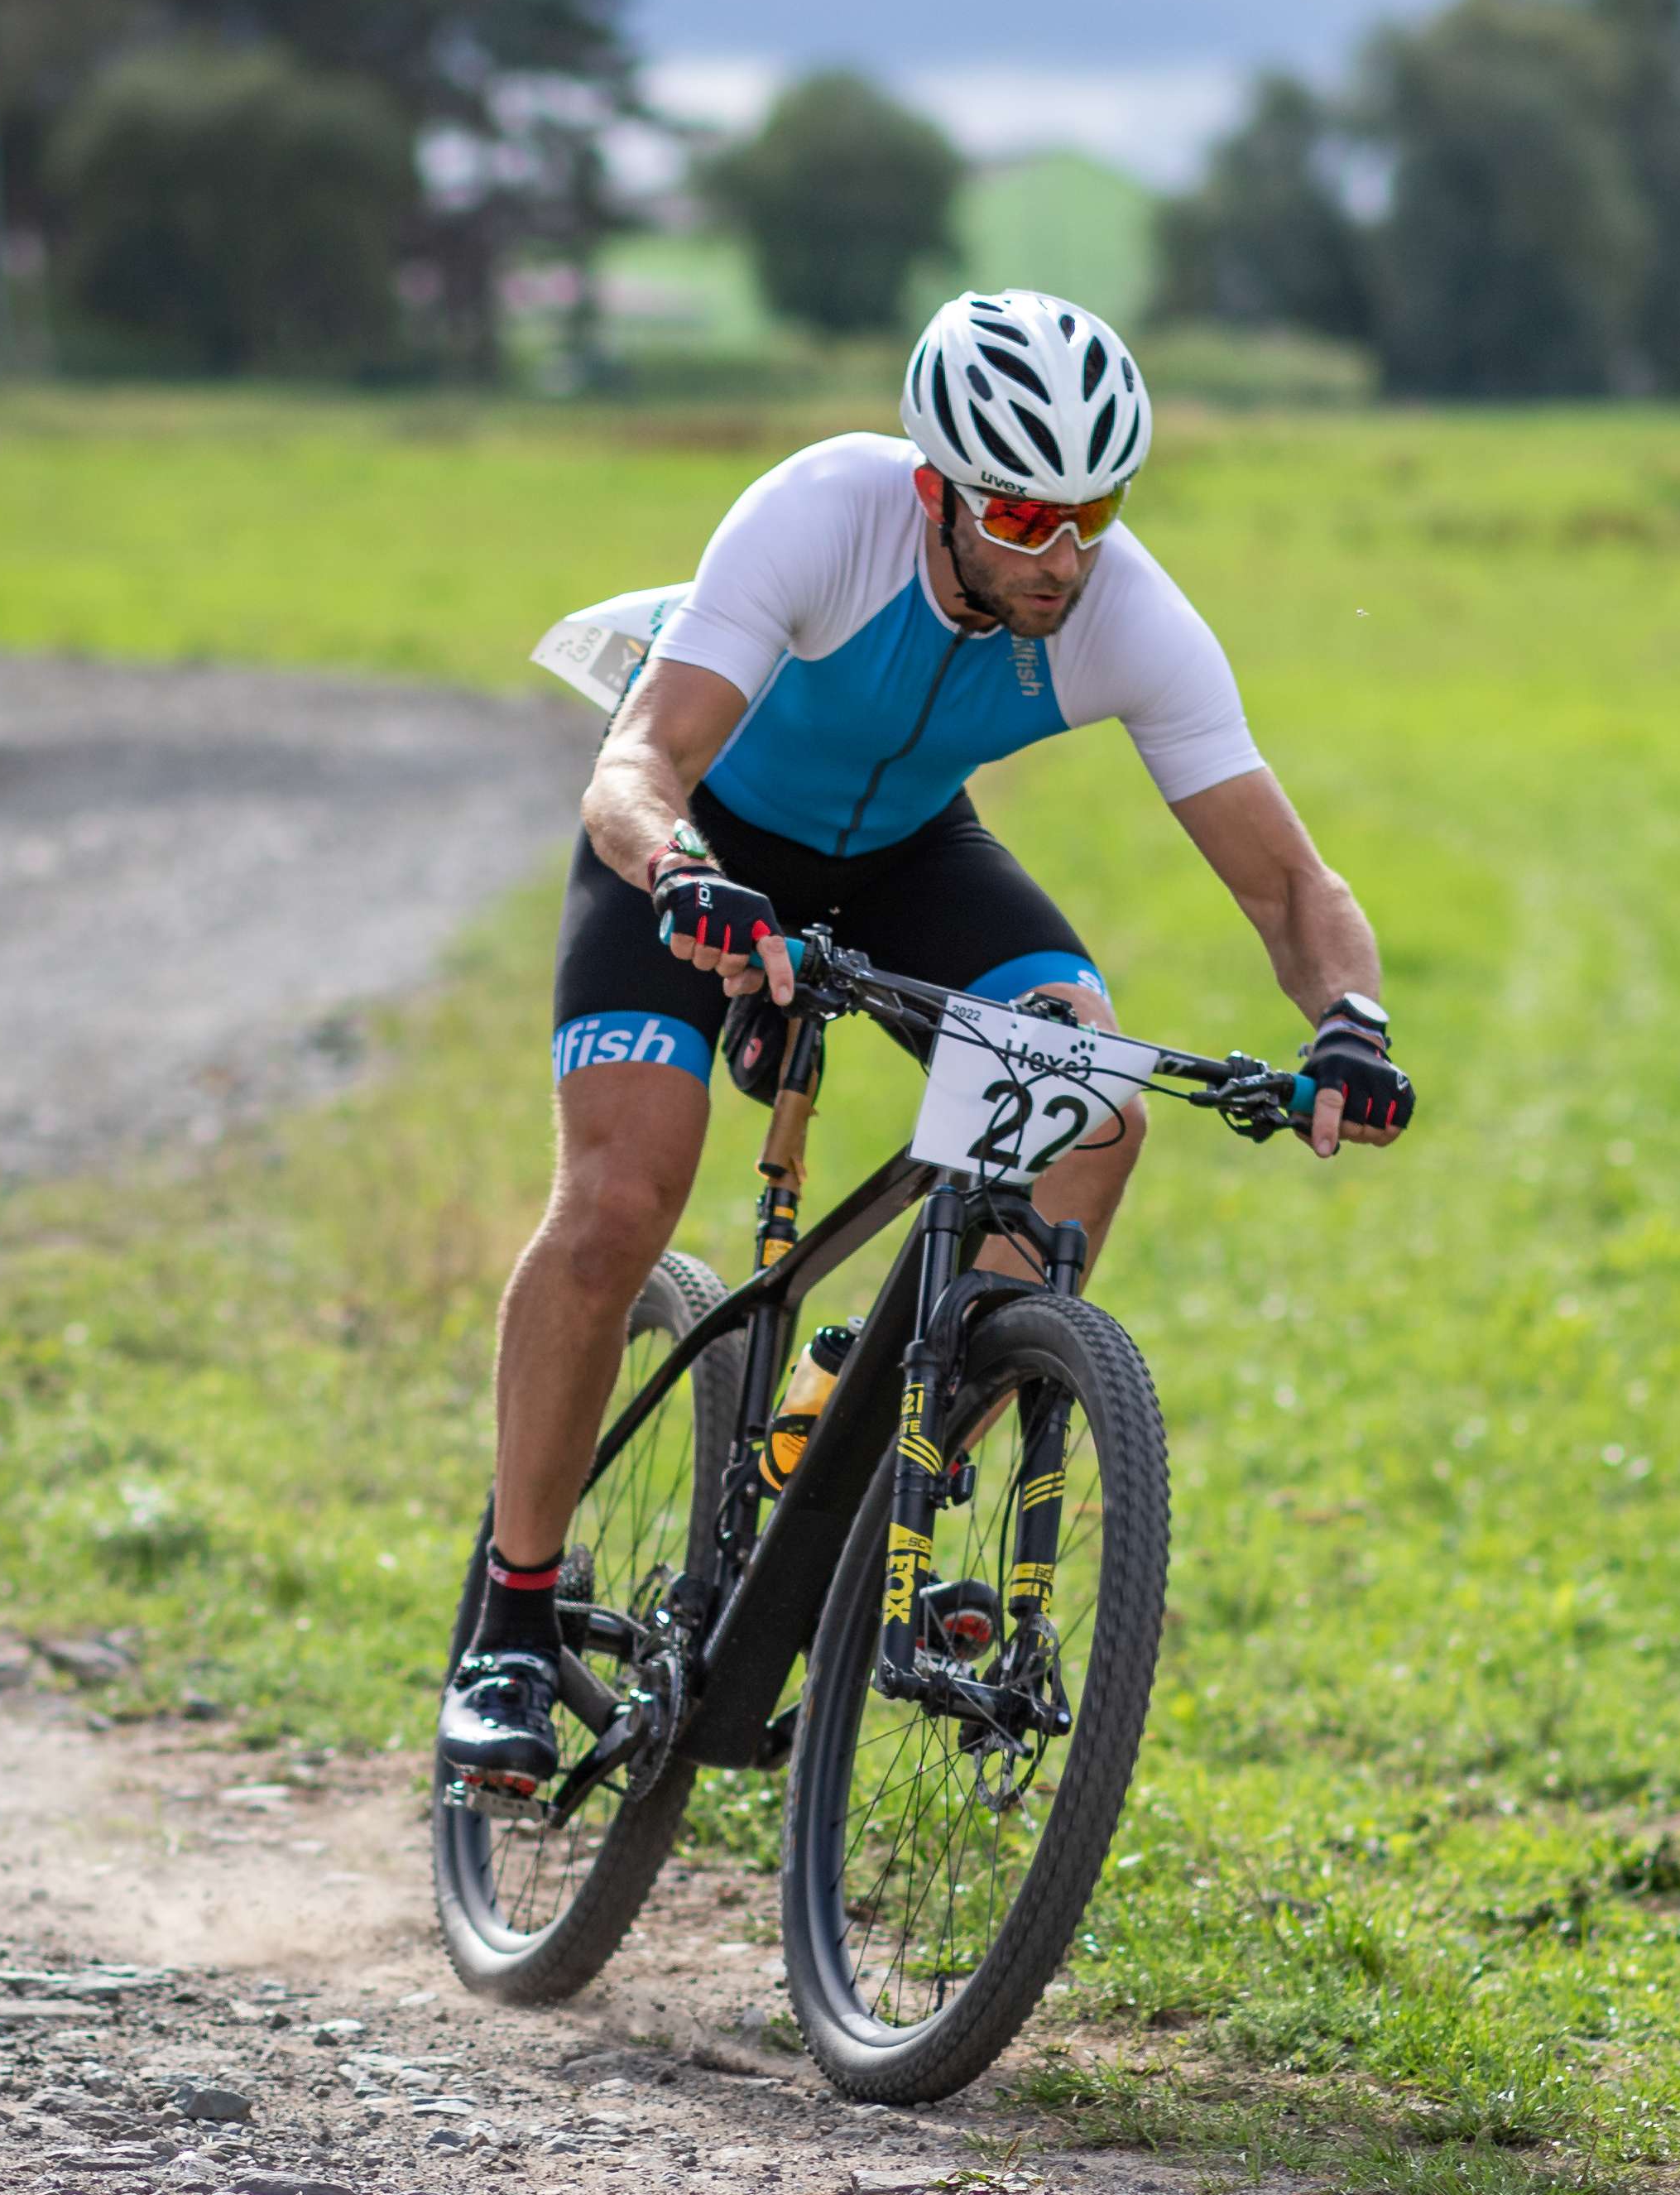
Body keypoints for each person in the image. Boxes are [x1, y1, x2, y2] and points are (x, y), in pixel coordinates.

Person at [442, 290, 1416, 1804]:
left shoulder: (1126, 614)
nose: (1061, 558)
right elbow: (637, 764)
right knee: (622, 1199)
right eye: (1022, 516)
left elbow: (1288, 887)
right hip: (702, 843)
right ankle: (509, 1624)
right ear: (936, 490)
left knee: (1094, 1108)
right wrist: (685, 877)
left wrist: (1350, 1024)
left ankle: (886, 1436)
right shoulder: (821, 513)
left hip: (904, 855)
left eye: (1092, 514)